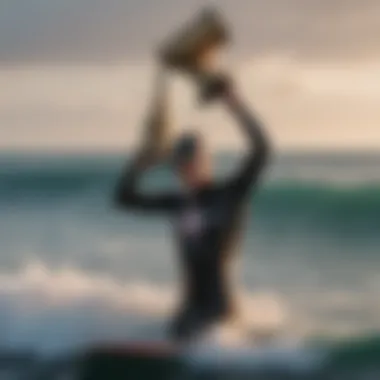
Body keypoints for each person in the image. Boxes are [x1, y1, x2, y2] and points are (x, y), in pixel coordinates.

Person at [114, 67, 270, 344]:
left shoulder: (230, 193)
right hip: (188, 311)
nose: (188, 166)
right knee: (179, 339)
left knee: (195, 343)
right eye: (182, 161)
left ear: (208, 160)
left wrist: (234, 103)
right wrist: (139, 163)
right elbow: (124, 199)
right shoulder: (176, 203)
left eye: (194, 158)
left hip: (221, 312)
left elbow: (262, 149)